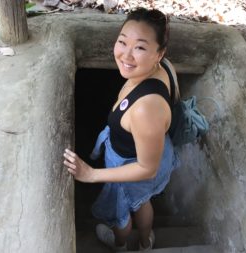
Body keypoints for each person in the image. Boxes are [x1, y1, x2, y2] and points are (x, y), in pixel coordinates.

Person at [63, 7, 180, 252]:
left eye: (139, 47)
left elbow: (146, 169)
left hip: (133, 166)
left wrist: (91, 174)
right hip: (154, 149)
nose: (126, 55)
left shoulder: (145, 110)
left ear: (159, 53)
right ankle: (146, 242)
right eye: (122, 42)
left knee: (121, 214)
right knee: (142, 202)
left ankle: (120, 244)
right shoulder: (162, 68)